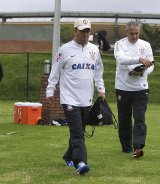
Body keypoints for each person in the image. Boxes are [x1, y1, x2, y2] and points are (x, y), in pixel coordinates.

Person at [46, 18, 106, 175]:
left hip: (86, 99)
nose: (85, 34)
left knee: (78, 131)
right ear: (75, 31)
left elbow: (98, 71)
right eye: (82, 31)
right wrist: (50, 91)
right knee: (78, 133)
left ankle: (68, 156)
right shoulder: (64, 50)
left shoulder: (94, 50)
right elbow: (55, 71)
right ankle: (80, 162)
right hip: (69, 99)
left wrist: (101, 89)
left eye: (87, 31)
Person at [114, 21, 154, 158]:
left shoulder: (146, 45)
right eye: (132, 33)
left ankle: (138, 147)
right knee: (124, 119)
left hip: (141, 88)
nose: (135, 36)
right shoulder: (119, 44)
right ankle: (126, 147)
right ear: (126, 32)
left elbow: (151, 64)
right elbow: (121, 60)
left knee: (139, 118)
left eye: (137, 33)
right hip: (123, 87)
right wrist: (139, 59)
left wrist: (143, 72)